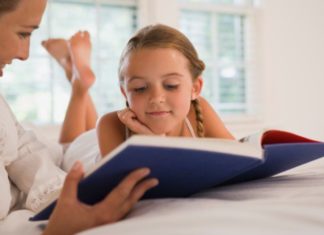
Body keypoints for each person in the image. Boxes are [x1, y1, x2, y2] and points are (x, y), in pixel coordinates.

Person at [0, 1, 158, 235]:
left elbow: (23, 148)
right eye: (23, 33)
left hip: (51, 166)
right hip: (64, 161)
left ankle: (77, 82)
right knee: (71, 147)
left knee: (67, 147)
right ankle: (77, 83)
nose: (25, 55)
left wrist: (68, 198)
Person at [41, 25, 234, 171]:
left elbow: (240, 156)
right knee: (66, 147)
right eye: (140, 88)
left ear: (195, 88)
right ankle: (78, 85)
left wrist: (154, 139)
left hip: (101, 136)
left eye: (171, 85)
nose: (157, 98)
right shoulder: (109, 124)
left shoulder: (199, 109)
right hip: (85, 151)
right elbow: (139, 186)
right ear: (125, 93)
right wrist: (154, 142)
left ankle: (74, 72)